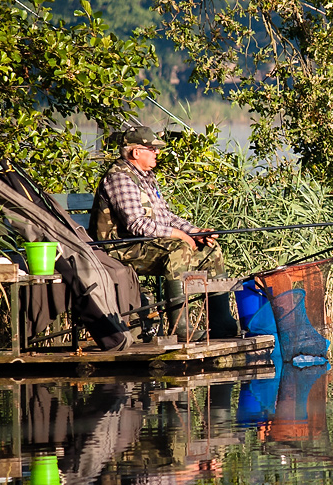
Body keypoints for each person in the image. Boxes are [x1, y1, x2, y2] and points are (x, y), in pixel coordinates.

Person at [90, 126, 239, 341]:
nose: (157, 153)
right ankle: (180, 327)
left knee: (210, 250)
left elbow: (166, 217)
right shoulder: (120, 178)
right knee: (179, 248)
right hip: (122, 248)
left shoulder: (146, 177)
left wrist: (195, 232)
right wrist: (180, 236)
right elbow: (136, 225)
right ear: (136, 152)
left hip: (147, 245)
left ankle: (221, 323)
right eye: (152, 149)